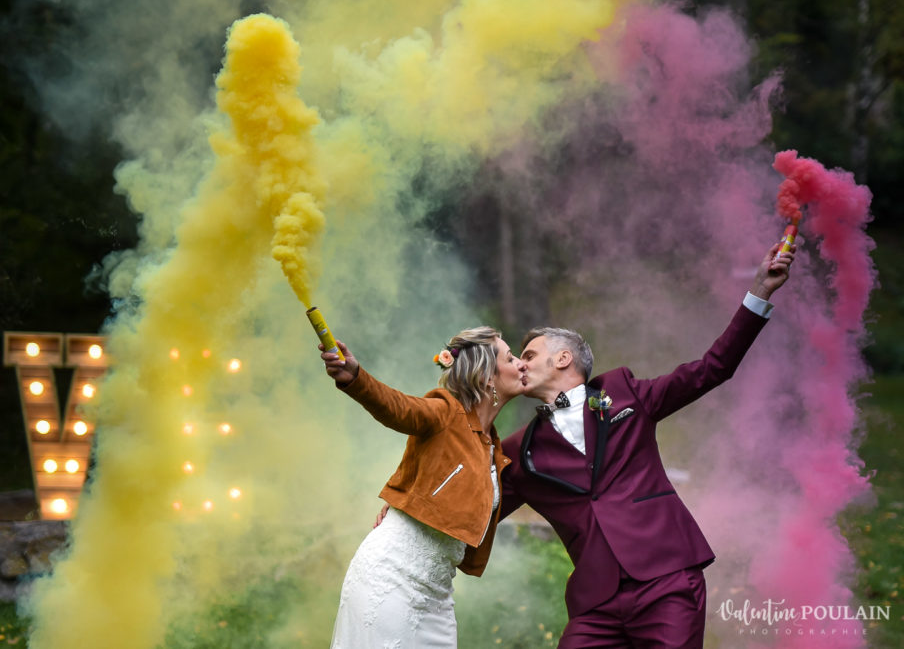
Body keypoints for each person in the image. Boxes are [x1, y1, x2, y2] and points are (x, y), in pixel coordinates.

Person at [461, 242, 795, 647]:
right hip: (595, 605)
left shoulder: (625, 393)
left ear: (564, 359)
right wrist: (408, 503)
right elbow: (476, 508)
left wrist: (759, 292)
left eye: (529, 354)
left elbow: (713, 368)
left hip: (667, 579)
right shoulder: (518, 450)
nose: (520, 364)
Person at [320, 326, 526, 648]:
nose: (520, 365)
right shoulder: (446, 411)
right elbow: (398, 408)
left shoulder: (493, 447)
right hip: (391, 578)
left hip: (438, 596)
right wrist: (355, 377)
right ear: (487, 377)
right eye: (512, 358)